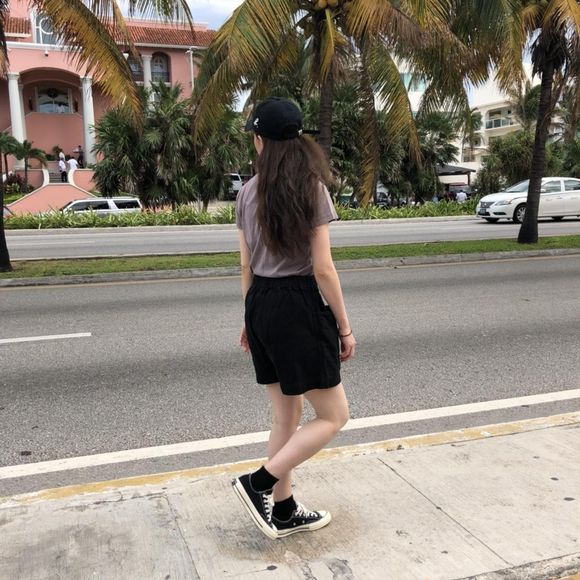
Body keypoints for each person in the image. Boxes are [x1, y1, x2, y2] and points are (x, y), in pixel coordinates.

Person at [233, 97, 355, 540]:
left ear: (260, 139)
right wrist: (344, 327)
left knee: (286, 416)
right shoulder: (311, 189)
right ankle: (259, 484)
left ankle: (283, 509)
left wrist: (250, 317)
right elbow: (323, 269)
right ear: (299, 141)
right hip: (298, 305)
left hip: (261, 303)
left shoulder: (246, 192)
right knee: (334, 416)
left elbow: (246, 265)